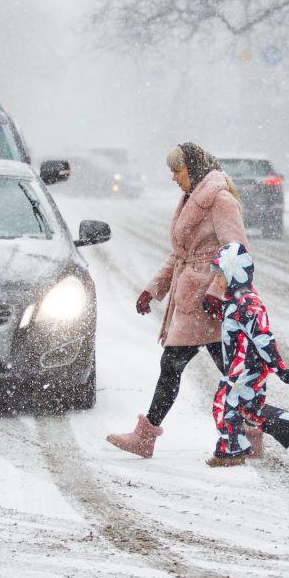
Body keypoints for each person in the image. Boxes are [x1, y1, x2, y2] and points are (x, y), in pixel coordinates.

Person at [106, 142, 249, 459]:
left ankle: (145, 438)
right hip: (193, 300)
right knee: (227, 372)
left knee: (173, 366)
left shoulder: (220, 201)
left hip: (206, 302)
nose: (173, 177)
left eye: (176, 170)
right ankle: (280, 428)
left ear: (193, 168)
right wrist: (153, 288)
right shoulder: (192, 200)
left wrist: (217, 291)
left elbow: (237, 251)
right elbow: (181, 254)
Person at [205, 241, 289, 467]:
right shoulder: (235, 300)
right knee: (248, 409)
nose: (216, 279)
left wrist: (279, 367)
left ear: (235, 273)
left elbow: (263, 337)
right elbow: (236, 331)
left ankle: (231, 452)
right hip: (242, 366)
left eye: (220, 274)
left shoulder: (247, 303)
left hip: (246, 366)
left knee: (224, 404)